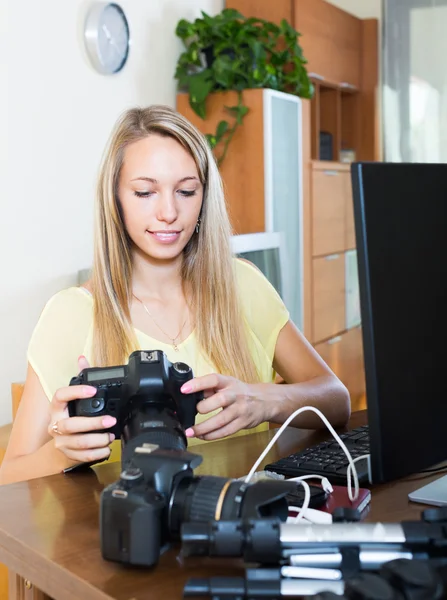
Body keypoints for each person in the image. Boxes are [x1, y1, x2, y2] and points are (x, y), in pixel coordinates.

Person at [0, 105, 350, 485]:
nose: (169, 212)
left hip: (244, 521)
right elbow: (10, 476)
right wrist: (62, 451)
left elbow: (337, 400)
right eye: (145, 192)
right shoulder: (70, 314)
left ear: (204, 196)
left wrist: (263, 400)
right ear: (115, 198)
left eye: (186, 191)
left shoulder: (243, 284)